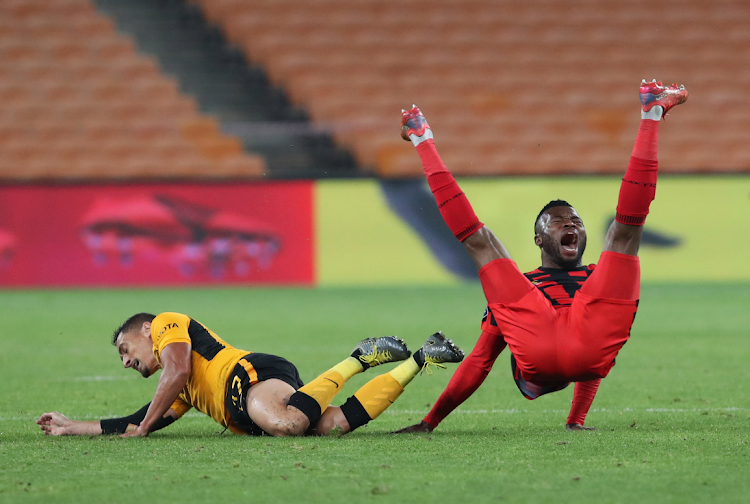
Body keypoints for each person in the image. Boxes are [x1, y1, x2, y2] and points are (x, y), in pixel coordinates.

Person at [394, 80, 688, 433]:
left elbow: (588, 353)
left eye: (576, 221)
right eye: (558, 222)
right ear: (538, 238)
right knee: (481, 241)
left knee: (625, 231)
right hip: (540, 341)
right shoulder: (526, 286)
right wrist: (431, 421)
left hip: (572, 349)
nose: (571, 224)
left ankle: (651, 112)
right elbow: (481, 360)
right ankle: (421, 138)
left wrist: (576, 420)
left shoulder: (596, 278)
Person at [37, 312, 464, 437]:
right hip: (247, 404)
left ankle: (358, 358)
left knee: (288, 423)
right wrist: (70, 426)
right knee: (330, 425)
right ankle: (422, 359)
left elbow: (178, 368)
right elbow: (132, 421)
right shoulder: (180, 394)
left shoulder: (167, 323)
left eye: (124, 349)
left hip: (250, 377)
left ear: (146, 330)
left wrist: (145, 427)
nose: (125, 361)